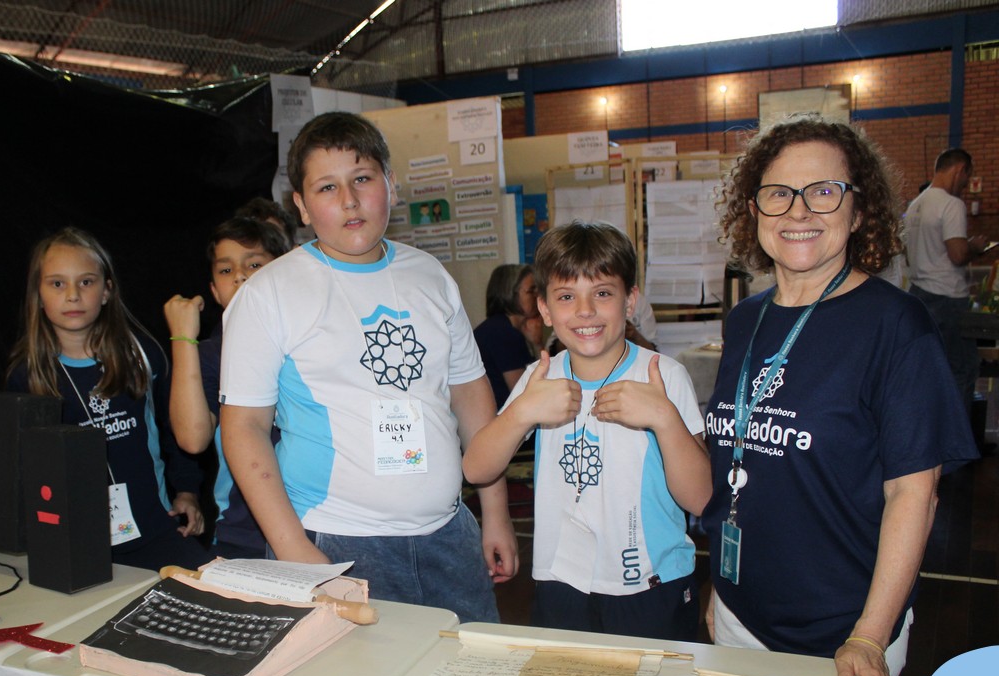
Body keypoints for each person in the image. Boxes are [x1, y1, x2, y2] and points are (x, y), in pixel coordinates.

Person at [705, 116, 977, 676]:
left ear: (858, 212)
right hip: (739, 615)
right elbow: (737, 469)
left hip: (843, 634)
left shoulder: (897, 326)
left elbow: (914, 495)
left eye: (824, 191)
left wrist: (870, 636)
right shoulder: (745, 320)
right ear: (753, 210)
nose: (798, 211)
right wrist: (721, 589)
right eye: (779, 193)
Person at [220, 111, 517, 622]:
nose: (349, 200)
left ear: (391, 184)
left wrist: (495, 512)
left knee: (470, 670)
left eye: (362, 178)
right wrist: (294, 549)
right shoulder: (268, 293)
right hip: (334, 540)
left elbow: (470, 395)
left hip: (450, 534)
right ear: (301, 206)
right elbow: (244, 428)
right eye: (327, 187)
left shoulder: (431, 276)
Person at [464, 221, 710, 640]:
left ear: (630, 300)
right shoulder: (539, 377)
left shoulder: (663, 375)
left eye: (602, 293)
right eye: (566, 296)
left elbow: (702, 499)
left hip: (651, 585)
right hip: (561, 582)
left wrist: (665, 418)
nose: (585, 311)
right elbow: (476, 468)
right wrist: (522, 411)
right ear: (544, 309)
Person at [6, 226, 210, 570]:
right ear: (38, 295)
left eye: (86, 282)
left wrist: (187, 491)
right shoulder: (26, 377)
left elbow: (174, 426)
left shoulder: (142, 355)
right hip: (75, 541)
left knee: (215, 590)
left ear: (106, 291)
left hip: (156, 528)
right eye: (57, 284)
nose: (73, 295)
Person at [164, 217, 291, 559]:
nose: (240, 276)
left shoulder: (307, 342)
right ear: (214, 290)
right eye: (226, 270)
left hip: (322, 522)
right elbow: (192, 439)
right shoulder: (209, 355)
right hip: (243, 531)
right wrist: (183, 338)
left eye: (254, 264)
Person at [904, 148, 993, 414]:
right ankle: (955, 438)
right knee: (963, 369)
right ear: (960, 170)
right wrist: (975, 246)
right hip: (947, 299)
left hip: (919, 294)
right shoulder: (951, 204)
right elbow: (957, 255)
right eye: (967, 178)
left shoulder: (915, 205)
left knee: (929, 369)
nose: (965, 185)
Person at [473, 263, 542, 411]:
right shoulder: (503, 333)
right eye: (531, 291)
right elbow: (525, 392)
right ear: (510, 294)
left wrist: (536, 343)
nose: (537, 296)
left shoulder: (502, 327)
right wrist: (538, 345)